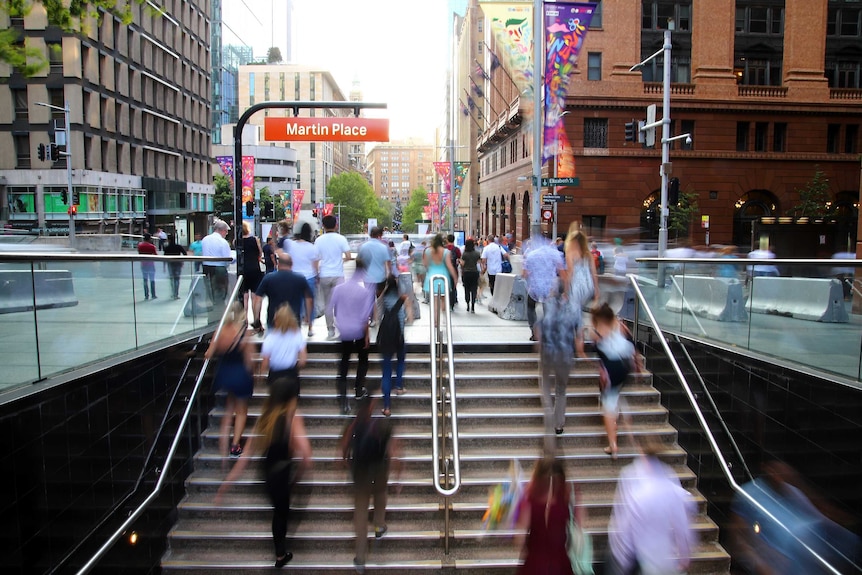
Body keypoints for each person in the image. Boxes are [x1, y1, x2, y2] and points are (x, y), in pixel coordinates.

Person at [216, 377, 312, 568]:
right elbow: (306, 454)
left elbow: (246, 457)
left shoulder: (265, 417)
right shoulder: (292, 418)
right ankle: (280, 554)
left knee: (279, 511)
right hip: (283, 473)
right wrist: (301, 474)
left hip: (268, 473)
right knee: (282, 513)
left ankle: (280, 553)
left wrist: (226, 484)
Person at [607, 436, 695, 575]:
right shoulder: (669, 477)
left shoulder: (630, 475)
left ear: (640, 449)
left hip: (637, 556)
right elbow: (681, 522)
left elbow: (625, 520)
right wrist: (685, 555)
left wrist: (622, 557)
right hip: (661, 556)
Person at [340, 394, 401, 574]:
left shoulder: (352, 424)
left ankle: (360, 557)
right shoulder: (382, 424)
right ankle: (379, 525)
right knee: (381, 494)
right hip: (379, 470)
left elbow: (343, 448)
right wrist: (398, 474)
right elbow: (393, 452)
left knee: (360, 513)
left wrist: (344, 463)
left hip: (360, 472)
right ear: (372, 406)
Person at [590, 303, 641, 459]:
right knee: (614, 396)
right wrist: (638, 366)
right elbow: (633, 346)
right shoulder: (621, 325)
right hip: (625, 367)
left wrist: (602, 373)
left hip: (611, 370)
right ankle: (618, 416)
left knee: (608, 407)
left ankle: (613, 445)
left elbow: (601, 357)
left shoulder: (596, 332)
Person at [205, 302, 254, 458]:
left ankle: (222, 442)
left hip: (224, 373)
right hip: (240, 375)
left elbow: (208, 354)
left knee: (228, 409)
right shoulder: (243, 333)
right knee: (241, 411)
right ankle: (235, 446)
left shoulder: (219, 331)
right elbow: (249, 360)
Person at [514, 457, 576, 575]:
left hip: (534, 565)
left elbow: (519, 540)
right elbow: (580, 521)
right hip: (560, 564)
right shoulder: (565, 497)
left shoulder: (528, 500)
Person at [329, 258, 376, 414]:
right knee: (363, 360)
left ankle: (343, 401)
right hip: (359, 331)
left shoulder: (339, 289)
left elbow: (332, 309)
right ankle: (358, 389)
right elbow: (365, 317)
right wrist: (367, 335)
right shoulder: (364, 292)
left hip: (345, 332)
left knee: (344, 364)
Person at [536, 283, 579, 442]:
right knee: (561, 390)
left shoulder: (548, 304)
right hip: (565, 354)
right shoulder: (575, 307)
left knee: (545, 386)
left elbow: (540, 325)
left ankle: (548, 417)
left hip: (548, 353)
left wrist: (539, 344)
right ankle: (558, 424)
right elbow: (579, 333)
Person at [253, 253, 314, 336]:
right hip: (294, 322)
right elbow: (309, 300)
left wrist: (257, 320)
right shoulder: (300, 279)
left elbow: (257, 299)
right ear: (292, 264)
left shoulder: (269, 278)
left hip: (273, 322)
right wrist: (309, 320)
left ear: (278, 263)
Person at [377, 275, 412, 416]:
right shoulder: (403, 299)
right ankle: (398, 386)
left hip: (386, 339)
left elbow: (376, 316)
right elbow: (410, 319)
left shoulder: (382, 300)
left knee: (386, 372)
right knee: (401, 360)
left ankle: (387, 407)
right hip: (399, 337)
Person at [315, 214, 353, 340]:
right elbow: (348, 256)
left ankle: (330, 330)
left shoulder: (319, 240)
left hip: (325, 274)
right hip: (338, 275)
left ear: (323, 226)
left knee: (328, 305)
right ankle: (341, 328)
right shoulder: (341, 239)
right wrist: (340, 261)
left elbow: (316, 259)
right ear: (336, 225)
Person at [564, 228, 599, 357]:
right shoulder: (588, 253)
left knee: (574, 314)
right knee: (576, 311)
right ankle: (579, 347)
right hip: (587, 285)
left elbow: (570, 273)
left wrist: (566, 291)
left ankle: (577, 348)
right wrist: (596, 290)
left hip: (577, 285)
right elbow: (594, 273)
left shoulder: (570, 253)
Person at [260, 303, 307, 400]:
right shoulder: (297, 334)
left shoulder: (270, 338)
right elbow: (303, 360)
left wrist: (261, 375)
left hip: (275, 374)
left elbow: (265, 362)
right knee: (291, 403)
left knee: (276, 404)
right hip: (291, 373)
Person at [523, 235, 565, 341]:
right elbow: (562, 272)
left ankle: (534, 331)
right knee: (548, 309)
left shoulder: (531, 254)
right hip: (550, 287)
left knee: (530, 307)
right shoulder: (555, 254)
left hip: (534, 287)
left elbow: (525, 273)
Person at [282, 223, 320, 337]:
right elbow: (315, 265)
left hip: (293, 276)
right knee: (309, 302)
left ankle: (295, 326)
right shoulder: (312, 247)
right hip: (309, 277)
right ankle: (310, 327)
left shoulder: (291, 245)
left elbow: (285, 257)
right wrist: (317, 277)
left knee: (294, 302)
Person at [423, 234, 458, 320]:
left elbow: (425, 264)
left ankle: (435, 321)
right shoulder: (446, 252)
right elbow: (450, 266)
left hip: (431, 277)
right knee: (444, 299)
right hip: (443, 277)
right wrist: (455, 277)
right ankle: (445, 319)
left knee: (434, 300)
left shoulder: (427, 251)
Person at [201, 220, 232, 319]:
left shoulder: (205, 239)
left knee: (210, 291)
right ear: (222, 230)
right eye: (226, 231)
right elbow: (227, 258)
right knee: (220, 292)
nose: (226, 234)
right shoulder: (222, 242)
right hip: (219, 268)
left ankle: (212, 316)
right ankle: (219, 317)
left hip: (206, 267)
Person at [239, 221, 265, 312]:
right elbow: (260, 253)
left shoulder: (237, 241)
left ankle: (245, 319)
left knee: (245, 296)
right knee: (255, 295)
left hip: (243, 269)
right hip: (254, 268)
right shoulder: (254, 240)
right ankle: (256, 319)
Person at [459, 238, 482, 313]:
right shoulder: (477, 253)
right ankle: (473, 306)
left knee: (467, 289)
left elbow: (462, 264)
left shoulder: (465, 254)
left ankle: (468, 304)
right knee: (474, 289)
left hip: (466, 273)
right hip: (475, 272)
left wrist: (460, 262)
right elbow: (479, 262)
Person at [163, 233, 187, 300]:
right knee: (177, 279)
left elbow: (164, 257)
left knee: (172, 278)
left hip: (170, 264)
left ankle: (173, 293)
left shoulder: (167, 248)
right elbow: (185, 254)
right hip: (178, 263)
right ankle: (176, 294)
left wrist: (164, 266)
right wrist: (182, 261)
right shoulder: (178, 246)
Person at [137, 232, 158, 300]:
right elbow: (155, 255)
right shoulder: (152, 246)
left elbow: (139, 253)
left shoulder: (140, 245)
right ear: (149, 239)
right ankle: (153, 294)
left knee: (145, 280)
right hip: (151, 264)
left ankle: (146, 295)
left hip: (143, 264)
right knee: (152, 280)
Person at [446, 234, 462, 308]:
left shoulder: (444, 248)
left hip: (445, 269)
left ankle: (446, 301)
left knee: (445, 285)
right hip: (454, 269)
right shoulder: (456, 249)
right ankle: (452, 302)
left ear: (447, 240)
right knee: (453, 286)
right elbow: (459, 259)